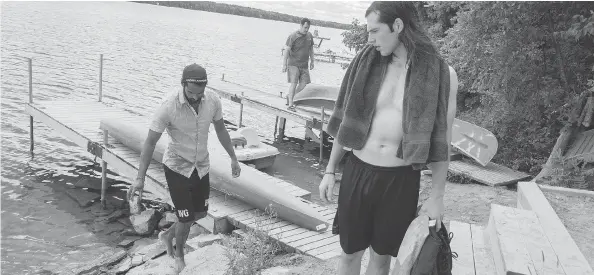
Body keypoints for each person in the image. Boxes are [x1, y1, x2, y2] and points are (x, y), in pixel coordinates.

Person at [318, 2, 458, 275]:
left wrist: (437, 197)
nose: (369, 39)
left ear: (397, 26)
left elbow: (443, 141)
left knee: (381, 259)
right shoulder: (365, 63)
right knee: (348, 255)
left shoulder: (443, 75)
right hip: (358, 171)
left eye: (375, 31)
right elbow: (347, 122)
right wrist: (330, 170)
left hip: (400, 180)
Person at [126, 63, 241, 274]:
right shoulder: (168, 105)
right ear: (183, 84)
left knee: (199, 213)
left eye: (199, 93)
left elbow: (221, 129)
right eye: (190, 93)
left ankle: (168, 235)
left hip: (201, 166)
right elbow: (150, 142)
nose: (195, 98)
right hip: (177, 167)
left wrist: (233, 157)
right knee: (186, 217)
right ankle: (179, 255)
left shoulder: (213, 100)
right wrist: (140, 178)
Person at [282, 18, 315, 111]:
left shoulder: (309, 36)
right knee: (294, 83)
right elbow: (287, 50)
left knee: (304, 84)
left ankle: (290, 96)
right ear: (300, 25)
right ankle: (291, 105)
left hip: (304, 65)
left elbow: (311, 49)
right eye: (305, 27)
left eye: (308, 28)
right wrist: (284, 64)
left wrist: (312, 61)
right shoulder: (293, 36)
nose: (306, 30)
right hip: (293, 64)